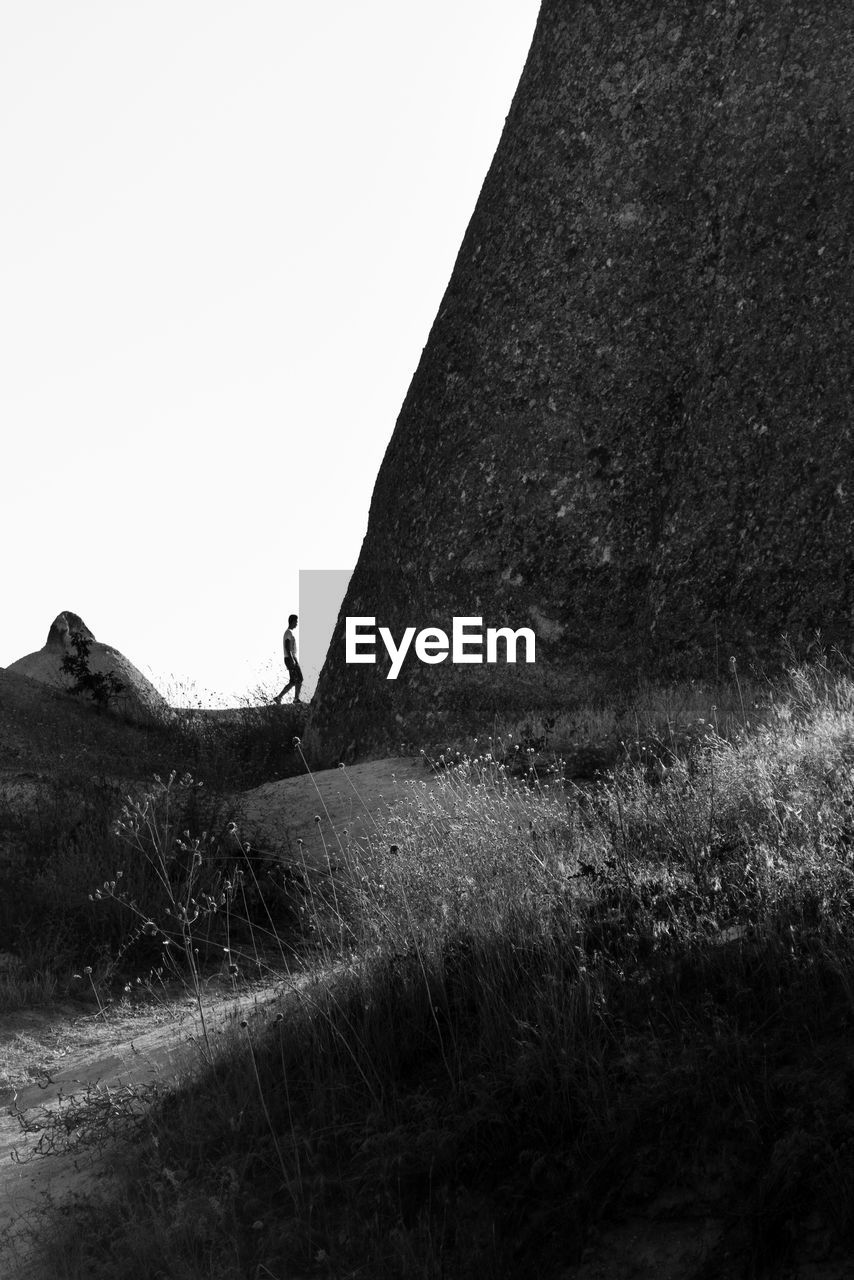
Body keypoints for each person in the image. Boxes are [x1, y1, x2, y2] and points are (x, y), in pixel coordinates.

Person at [274, 613, 303, 704]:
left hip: (291, 658)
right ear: (293, 621)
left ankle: (279, 698)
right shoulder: (288, 633)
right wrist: (293, 660)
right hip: (290, 658)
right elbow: (287, 647)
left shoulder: (289, 632)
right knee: (299, 679)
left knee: (293, 681)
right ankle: (295, 699)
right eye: (296, 622)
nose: (297, 624)